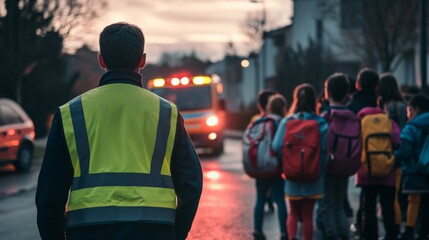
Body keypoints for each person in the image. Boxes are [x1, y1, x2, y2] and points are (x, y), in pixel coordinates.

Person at [35, 22, 203, 240]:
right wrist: (175, 233)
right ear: (142, 60)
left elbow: (49, 194)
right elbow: (191, 183)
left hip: (89, 232)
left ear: (101, 60)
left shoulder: (70, 113)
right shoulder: (167, 113)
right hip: (154, 230)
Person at [272, 84, 328, 240]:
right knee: (308, 214)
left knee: (294, 212)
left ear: (295, 99)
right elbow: (325, 150)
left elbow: (276, 146)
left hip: (292, 174)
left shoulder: (287, 122)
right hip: (313, 175)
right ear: (314, 100)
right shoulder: (321, 122)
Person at [356, 105, 400, 240]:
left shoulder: (362, 122)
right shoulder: (389, 121)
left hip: (366, 171)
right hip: (387, 171)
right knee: (388, 206)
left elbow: (357, 145)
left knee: (368, 207)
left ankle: (370, 235)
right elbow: (397, 142)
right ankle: (391, 234)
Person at [320, 73, 353, 240]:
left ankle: (332, 234)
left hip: (328, 166)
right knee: (340, 203)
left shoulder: (325, 117)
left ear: (328, 93)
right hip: (345, 165)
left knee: (327, 204)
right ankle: (344, 233)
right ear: (347, 93)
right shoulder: (352, 116)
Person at [348, 68, 380, 236]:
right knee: (376, 195)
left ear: (358, 85)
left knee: (366, 192)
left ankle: (362, 224)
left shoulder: (352, 106)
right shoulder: (380, 104)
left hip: (359, 153)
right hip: (382, 153)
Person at [252, 94, 288, 240]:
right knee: (280, 200)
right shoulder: (283, 122)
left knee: (260, 199)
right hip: (276, 168)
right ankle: (284, 232)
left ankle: (257, 229)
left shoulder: (260, 121)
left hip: (261, 166)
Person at [378, 73, 408, 237]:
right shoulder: (402, 105)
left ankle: (394, 229)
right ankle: (396, 227)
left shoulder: (386, 106)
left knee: (390, 196)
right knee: (395, 192)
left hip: (386, 152)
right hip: (401, 151)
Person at [395, 94, 429, 240]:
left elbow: (405, 150)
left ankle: (409, 230)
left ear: (416, 109)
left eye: (409, 110)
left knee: (413, 200)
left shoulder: (412, 126)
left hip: (415, 170)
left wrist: (394, 157)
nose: (408, 113)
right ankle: (423, 232)